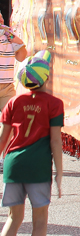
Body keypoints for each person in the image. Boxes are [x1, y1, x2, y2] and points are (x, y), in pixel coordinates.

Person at [0, 50, 64, 236]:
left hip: (13, 166)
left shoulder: (13, 102)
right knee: (40, 220)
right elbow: (55, 141)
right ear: (47, 77)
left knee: (14, 218)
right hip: (38, 167)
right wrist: (59, 172)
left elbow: (3, 138)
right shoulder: (54, 104)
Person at [0, 23, 27, 115]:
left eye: (1, 17)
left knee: (12, 119)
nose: (1, 20)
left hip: (7, 88)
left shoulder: (8, 34)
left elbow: (21, 58)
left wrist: (20, 43)